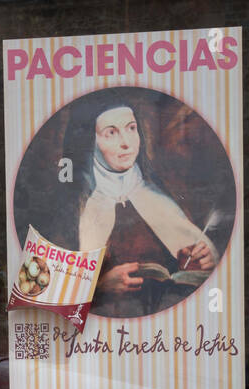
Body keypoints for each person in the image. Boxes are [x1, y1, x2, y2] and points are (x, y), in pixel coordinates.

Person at [69, 103, 219, 318]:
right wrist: (100, 288)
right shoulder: (75, 212)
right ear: (90, 143)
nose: (126, 143)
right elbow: (51, 298)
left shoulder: (158, 195)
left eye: (131, 128)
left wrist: (200, 259)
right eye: (111, 133)